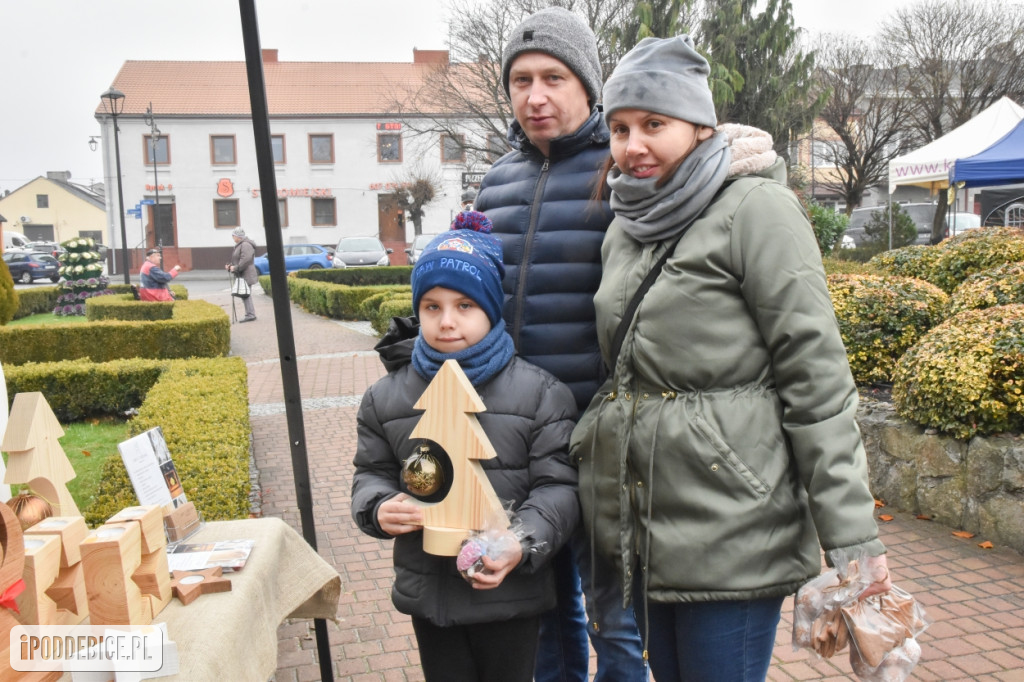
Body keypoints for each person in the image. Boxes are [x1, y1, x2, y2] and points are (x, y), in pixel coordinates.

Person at [570, 36, 893, 682]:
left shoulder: (756, 208)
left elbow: (817, 379)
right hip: (651, 529)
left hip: (736, 528)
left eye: (653, 124)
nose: (632, 145)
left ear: (699, 125)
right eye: (620, 127)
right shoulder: (625, 225)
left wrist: (854, 541)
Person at [474, 7, 647, 681]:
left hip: (602, 434)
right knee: (544, 611)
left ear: (588, 85)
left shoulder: (625, 170)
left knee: (617, 619)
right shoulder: (496, 180)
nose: (535, 96)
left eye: (553, 77)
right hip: (521, 438)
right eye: (520, 80)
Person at [351, 211, 580, 682]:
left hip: (509, 596)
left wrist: (520, 542)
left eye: (464, 306)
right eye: (431, 307)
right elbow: (370, 473)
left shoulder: (540, 393)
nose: (447, 322)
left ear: (491, 309)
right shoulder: (387, 396)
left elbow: (559, 488)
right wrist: (378, 507)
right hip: (429, 595)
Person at [225, 227, 258, 322]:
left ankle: (251, 315)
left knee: (245, 294)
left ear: (237, 236)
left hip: (246, 273)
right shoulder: (241, 245)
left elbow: (245, 260)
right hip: (243, 273)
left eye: (233, 236)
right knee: (245, 294)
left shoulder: (245, 245)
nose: (232, 237)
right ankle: (250, 314)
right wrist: (230, 266)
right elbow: (239, 259)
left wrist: (236, 268)